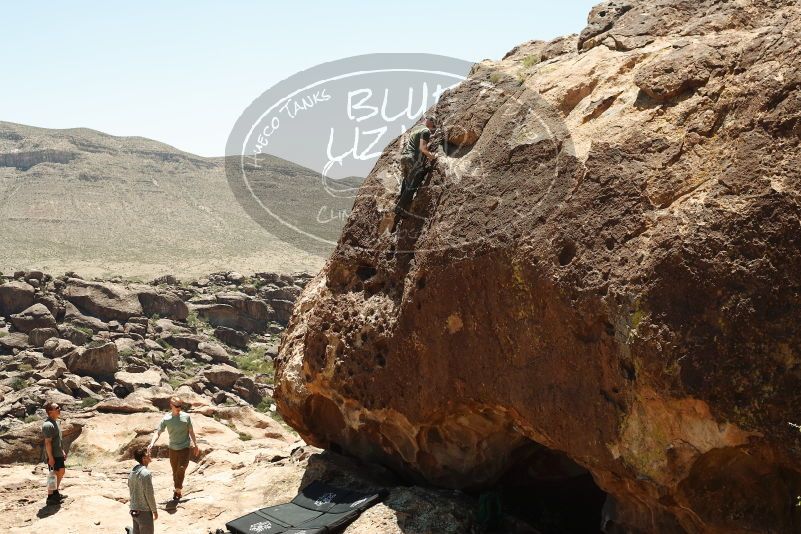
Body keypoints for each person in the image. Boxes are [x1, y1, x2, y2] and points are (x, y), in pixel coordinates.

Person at [146, 396, 199, 502]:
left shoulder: (186, 417)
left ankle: (178, 489)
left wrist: (195, 444)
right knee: (175, 471)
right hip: (173, 448)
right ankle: (177, 490)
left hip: (184, 447)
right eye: (177, 406)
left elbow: (191, 432)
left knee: (182, 468)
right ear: (171, 405)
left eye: (180, 406)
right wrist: (152, 443)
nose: (179, 408)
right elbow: (158, 432)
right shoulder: (166, 419)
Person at [394, 116, 438, 217]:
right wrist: (432, 156)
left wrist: (432, 136)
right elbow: (422, 148)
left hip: (405, 157)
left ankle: (402, 204)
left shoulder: (416, 128)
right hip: (414, 159)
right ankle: (399, 208)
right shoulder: (426, 131)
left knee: (406, 182)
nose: (433, 128)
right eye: (433, 125)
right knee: (412, 185)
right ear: (430, 121)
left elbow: (418, 140)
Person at [128, 447, 158, 534]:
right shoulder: (145, 473)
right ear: (143, 458)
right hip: (144, 512)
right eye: (147, 454)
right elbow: (149, 494)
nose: (149, 454)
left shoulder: (132, 472)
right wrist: (154, 510)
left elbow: (131, 489)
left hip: (134, 510)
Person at [42, 401, 66, 505]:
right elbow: (47, 443)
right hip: (53, 455)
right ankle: (50, 497)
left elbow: (58, 440)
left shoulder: (56, 422)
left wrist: (63, 451)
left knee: (61, 471)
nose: (59, 409)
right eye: (57, 408)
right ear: (50, 411)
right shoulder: (48, 425)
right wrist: (50, 458)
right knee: (53, 474)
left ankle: (55, 492)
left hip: (58, 453)